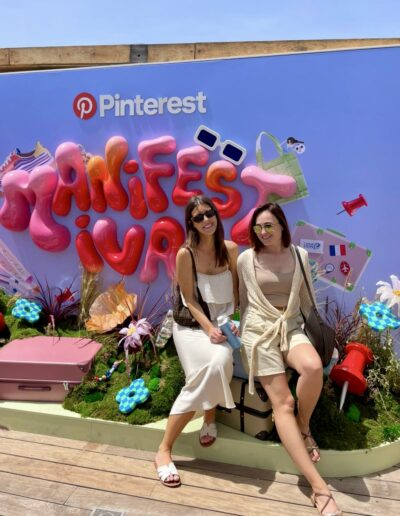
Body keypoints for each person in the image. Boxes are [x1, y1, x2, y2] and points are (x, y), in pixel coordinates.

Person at [237, 202, 342, 516]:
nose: (263, 231)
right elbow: (245, 303)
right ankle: (319, 489)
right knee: (282, 402)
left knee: (312, 367)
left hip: (291, 326)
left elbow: (307, 300)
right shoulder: (246, 259)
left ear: (282, 225)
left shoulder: (300, 255)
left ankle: (302, 426)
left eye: (269, 225)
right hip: (258, 332)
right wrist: (244, 335)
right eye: (258, 227)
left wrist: (317, 333)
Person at [155, 195, 239, 488]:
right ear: (190, 223)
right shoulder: (185, 254)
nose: (206, 220)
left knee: (219, 361)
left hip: (224, 325)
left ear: (216, 215)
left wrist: (234, 321)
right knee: (208, 368)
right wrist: (209, 329)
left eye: (209, 213)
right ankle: (164, 449)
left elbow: (237, 291)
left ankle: (209, 417)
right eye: (198, 217)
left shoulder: (231, 249)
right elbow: (189, 299)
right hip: (192, 326)